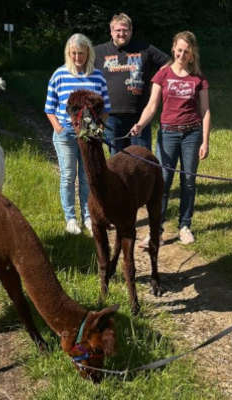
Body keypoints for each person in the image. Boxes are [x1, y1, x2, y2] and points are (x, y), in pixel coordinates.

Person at [130, 31, 211, 246]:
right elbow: (152, 105)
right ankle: (156, 230)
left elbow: (206, 111)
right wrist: (140, 124)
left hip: (192, 134)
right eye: (179, 50)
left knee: (188, 181)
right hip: (168, 133)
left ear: (192, 55)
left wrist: (205, 140)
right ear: (173, 49)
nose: (182, 55)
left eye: (186, 52)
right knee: (162, 182)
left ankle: (185, 226)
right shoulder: (163, 74)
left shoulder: (199, 79)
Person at [45, 33, 110, 236]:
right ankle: (70, 218)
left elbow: (106, 107)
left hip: (89, 136)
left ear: (88, 53)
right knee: (67, 175)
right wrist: (58, 127)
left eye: (80, 53)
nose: (77, 57)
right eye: (73, 53)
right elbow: (49, 107)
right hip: (66, 135)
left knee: (87, 177)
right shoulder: (59, 75)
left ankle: (89, 216)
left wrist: (99, 127)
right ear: (68, 53)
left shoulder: (97, 76)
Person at [95, 13, 169, 155]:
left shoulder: (145, 49)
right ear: (111, 31)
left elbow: (169, 64)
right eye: (118, 30)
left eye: (125, 30)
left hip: (140, 115)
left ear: (131, 31)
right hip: (110, 117)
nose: (122, 34)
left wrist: (157, 82)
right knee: (117, 161)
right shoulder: (98, 52)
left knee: (142, 160)